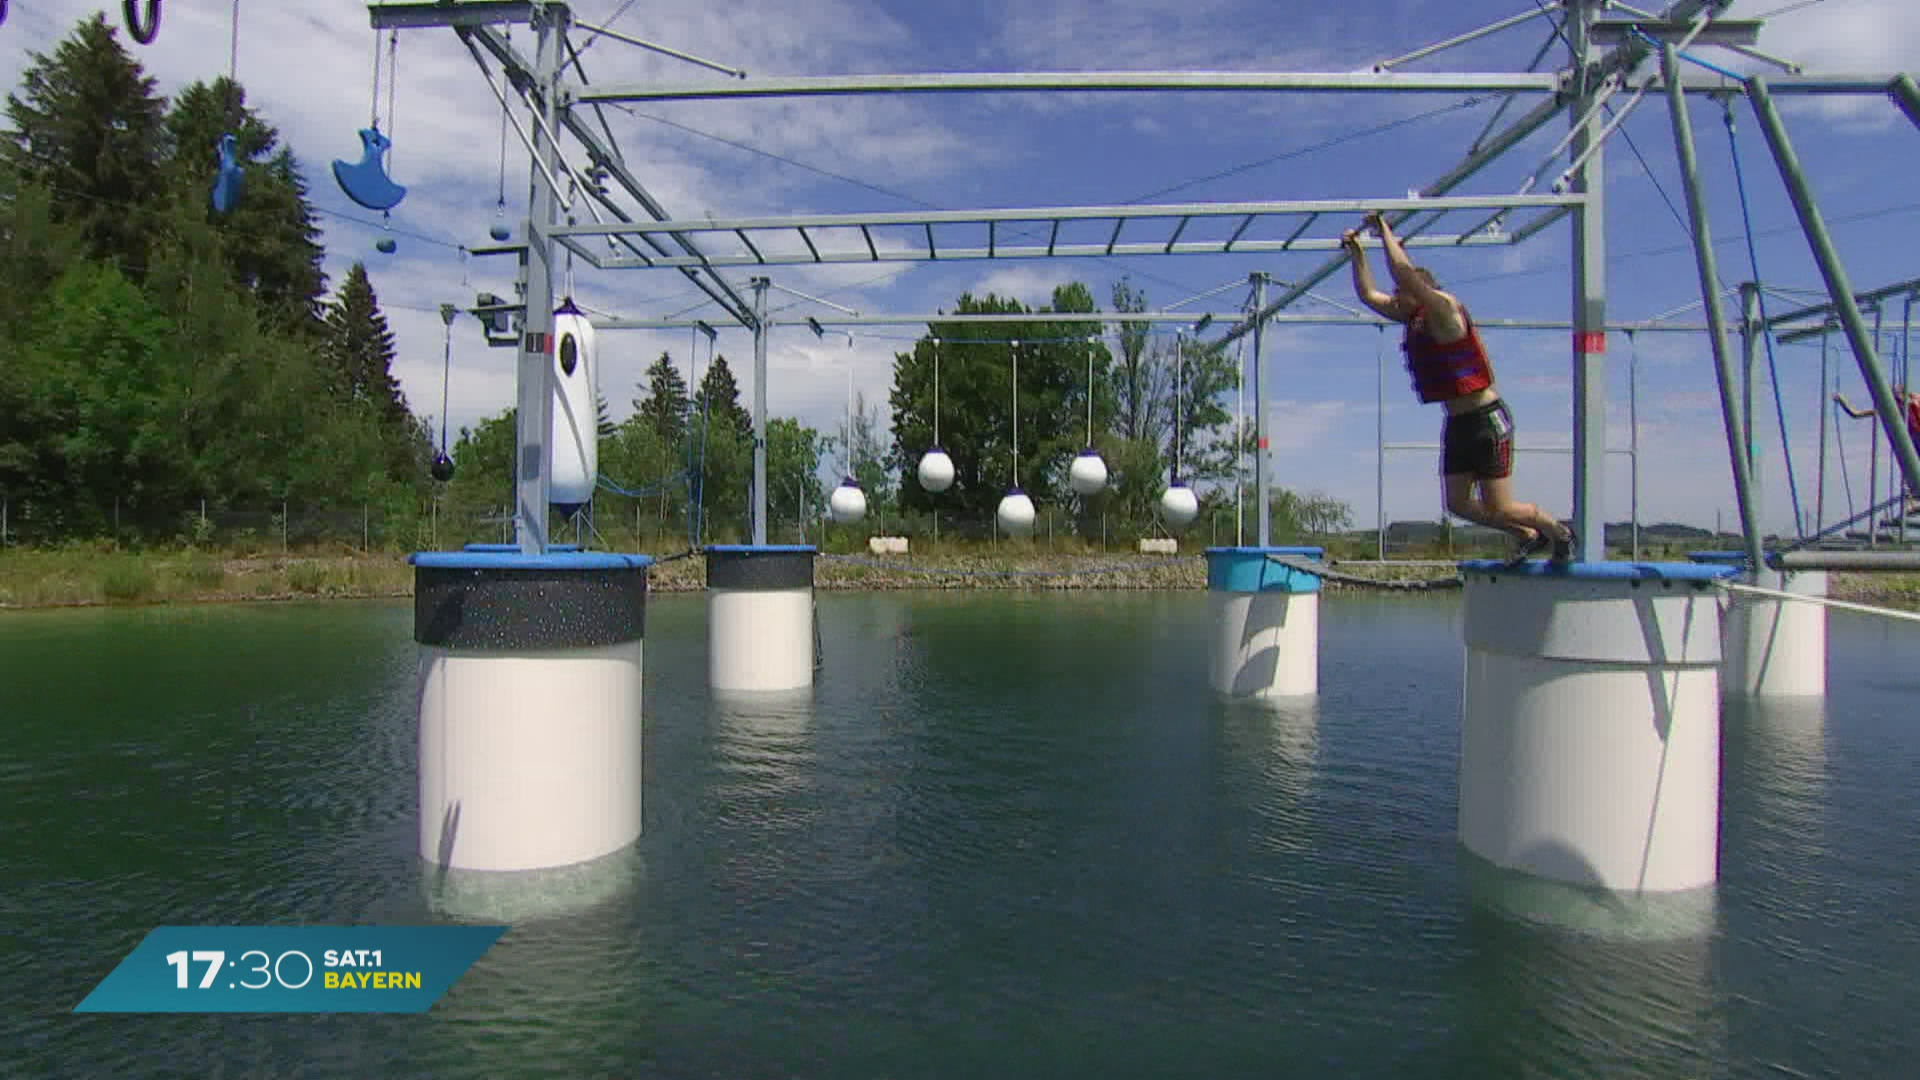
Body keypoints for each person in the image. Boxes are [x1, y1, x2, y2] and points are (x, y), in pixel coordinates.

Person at [1342, 211, 1576, 564]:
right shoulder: (1414, 317)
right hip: (1457, 423)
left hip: (1486, 418)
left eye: (1400, 295)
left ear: (1419, 292)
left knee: (1500, 504)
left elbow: (1403, 271)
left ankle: (1559, 532)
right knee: (1457, 504)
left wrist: (1383, 231)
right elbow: (1367, 295)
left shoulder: (1444, 309)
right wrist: (1357, 253)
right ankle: (1526, 534)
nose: (1394, 301)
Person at [1834, 384, 1920, 512]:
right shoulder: (1894, 408)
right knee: (1909, 470)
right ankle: (1912, 500)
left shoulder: (1915, 400)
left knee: (1910, 469)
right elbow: (1856, 414)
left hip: (1915, 438)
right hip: (1913, 440)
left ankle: (1913, 499)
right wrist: (1842, 401)